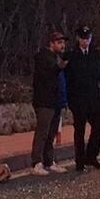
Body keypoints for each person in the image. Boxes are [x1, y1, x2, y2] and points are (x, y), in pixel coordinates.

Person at [64, 24, 100, 172]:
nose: (86, 41)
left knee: (99, 125)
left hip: (93, 98)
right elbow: (67, 79)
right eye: (83, 38)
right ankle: (80, 162)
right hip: (78, 99)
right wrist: (68, 99)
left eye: (88, 38)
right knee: (79, 131)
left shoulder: (95, 55)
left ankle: (91, 156)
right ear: (78, 38)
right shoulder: (71, 56)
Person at [30, 29, 68, 175]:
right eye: (59, 42)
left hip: (56, 101)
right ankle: (36, 163)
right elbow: (48, 75)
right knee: (42, 132)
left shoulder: (57, 58)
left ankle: (49, 161)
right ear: (51, 44)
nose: (62, 45)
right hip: (45, 101)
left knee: (51, 133)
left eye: (63, 42)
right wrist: (59, 66)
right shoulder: (43, 58)